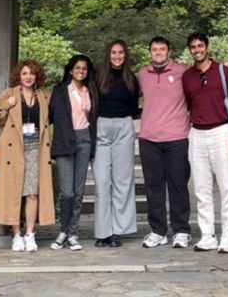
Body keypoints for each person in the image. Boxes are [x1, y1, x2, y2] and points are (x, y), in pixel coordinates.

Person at [181, 32, 228, 254]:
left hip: (221, 131)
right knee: (201, 188)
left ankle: (227, 235)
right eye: (193, 47)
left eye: (200, 45)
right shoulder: (187, 76)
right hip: (197, 134)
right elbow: (188, 104)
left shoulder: (224, 71)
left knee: (226, 186)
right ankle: (207, 235)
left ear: (207, 47)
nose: (197, 50)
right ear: (190, 50)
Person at [0, 59, 54, 252]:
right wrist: (6, 105)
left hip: (35, 148)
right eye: (24, 73)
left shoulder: (43, 97)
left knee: (32, 192)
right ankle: (16, 235)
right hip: (13, 147)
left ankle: (30, 234)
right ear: (19, 76)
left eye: (32, 73)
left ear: (36, 76)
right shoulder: (9, 94)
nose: (28, 77)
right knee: (13, 191)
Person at [137, 36, 193, 249]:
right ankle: (158, 231)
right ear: (149, 52)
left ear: (169, 51)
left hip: (177, 138)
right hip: (149, 139)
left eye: (162, 49)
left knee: (178, 185)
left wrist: (224, 69)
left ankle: (181, 230)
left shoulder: (183, 71)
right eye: (154, 49)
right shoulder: (142, 75)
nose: (158, 52)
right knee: (154, 187)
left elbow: (203, 76)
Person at [92, 39, 140, 247]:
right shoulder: (98, 76)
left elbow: (134, 108)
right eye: (114, 52)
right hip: (102, 126)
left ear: (125, 55)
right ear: (108, 54)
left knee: (123, 181)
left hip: (123, 127)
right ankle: (103, 232)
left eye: (121, 52)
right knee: (102, 181)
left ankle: (118, 231)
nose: (117, 56)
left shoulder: (132, 79)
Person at [48, 54, 98, 251]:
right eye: (77, 68)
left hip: (84, 139)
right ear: (70, 70)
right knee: (67, 192)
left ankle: (73, 233)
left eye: (84, 68)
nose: (81, 71)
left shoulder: (90, 90)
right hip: (65, 141)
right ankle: (63, 231)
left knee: (78, 192)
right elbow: (50, 115)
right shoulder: (60, 91)